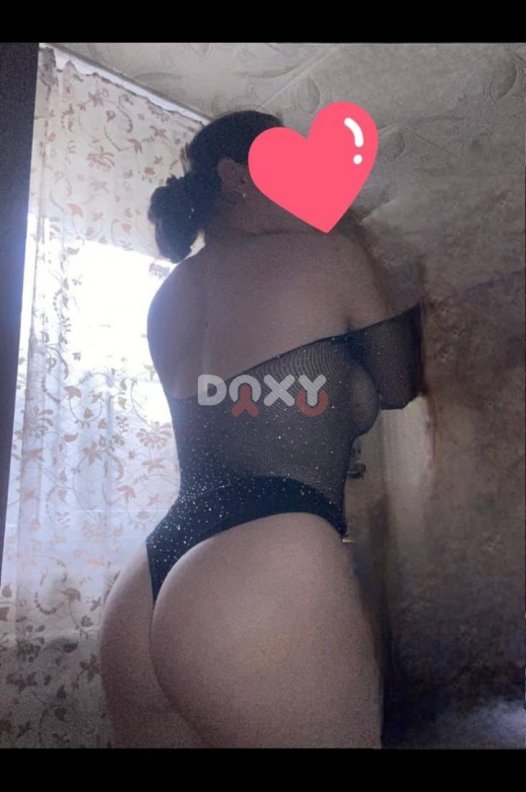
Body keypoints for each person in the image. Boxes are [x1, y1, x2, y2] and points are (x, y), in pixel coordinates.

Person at [99, 110, 424, 749]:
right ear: (237, 176)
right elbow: (399, 383)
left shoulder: (168, 295)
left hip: (148, 582)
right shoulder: (325, 254)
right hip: (263, 563)